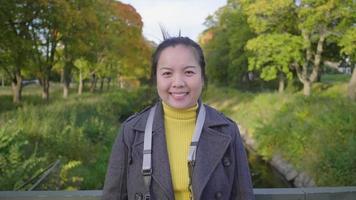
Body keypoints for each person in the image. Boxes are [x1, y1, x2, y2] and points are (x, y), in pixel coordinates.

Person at [102, 37, 255, 200]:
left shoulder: (227, 130)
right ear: (156, 79)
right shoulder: (131, 131)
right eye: (167, 73)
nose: (178, 82)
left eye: (189, 72)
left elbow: (242, 195)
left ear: (202, 77)